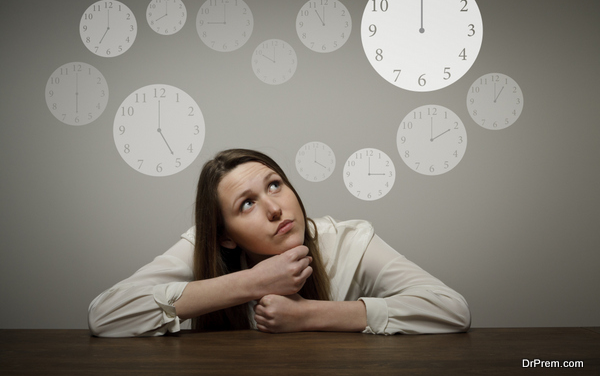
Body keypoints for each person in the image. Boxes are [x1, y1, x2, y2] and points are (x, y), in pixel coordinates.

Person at [88, 149, 470, 337]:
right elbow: (105, 315)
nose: (274, 207)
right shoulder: (201, 246)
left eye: (275, 185)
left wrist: (309, 315)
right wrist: (253, 282)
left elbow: (451, 309)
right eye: (247, 203)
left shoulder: (347, 240)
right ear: (224, 235)